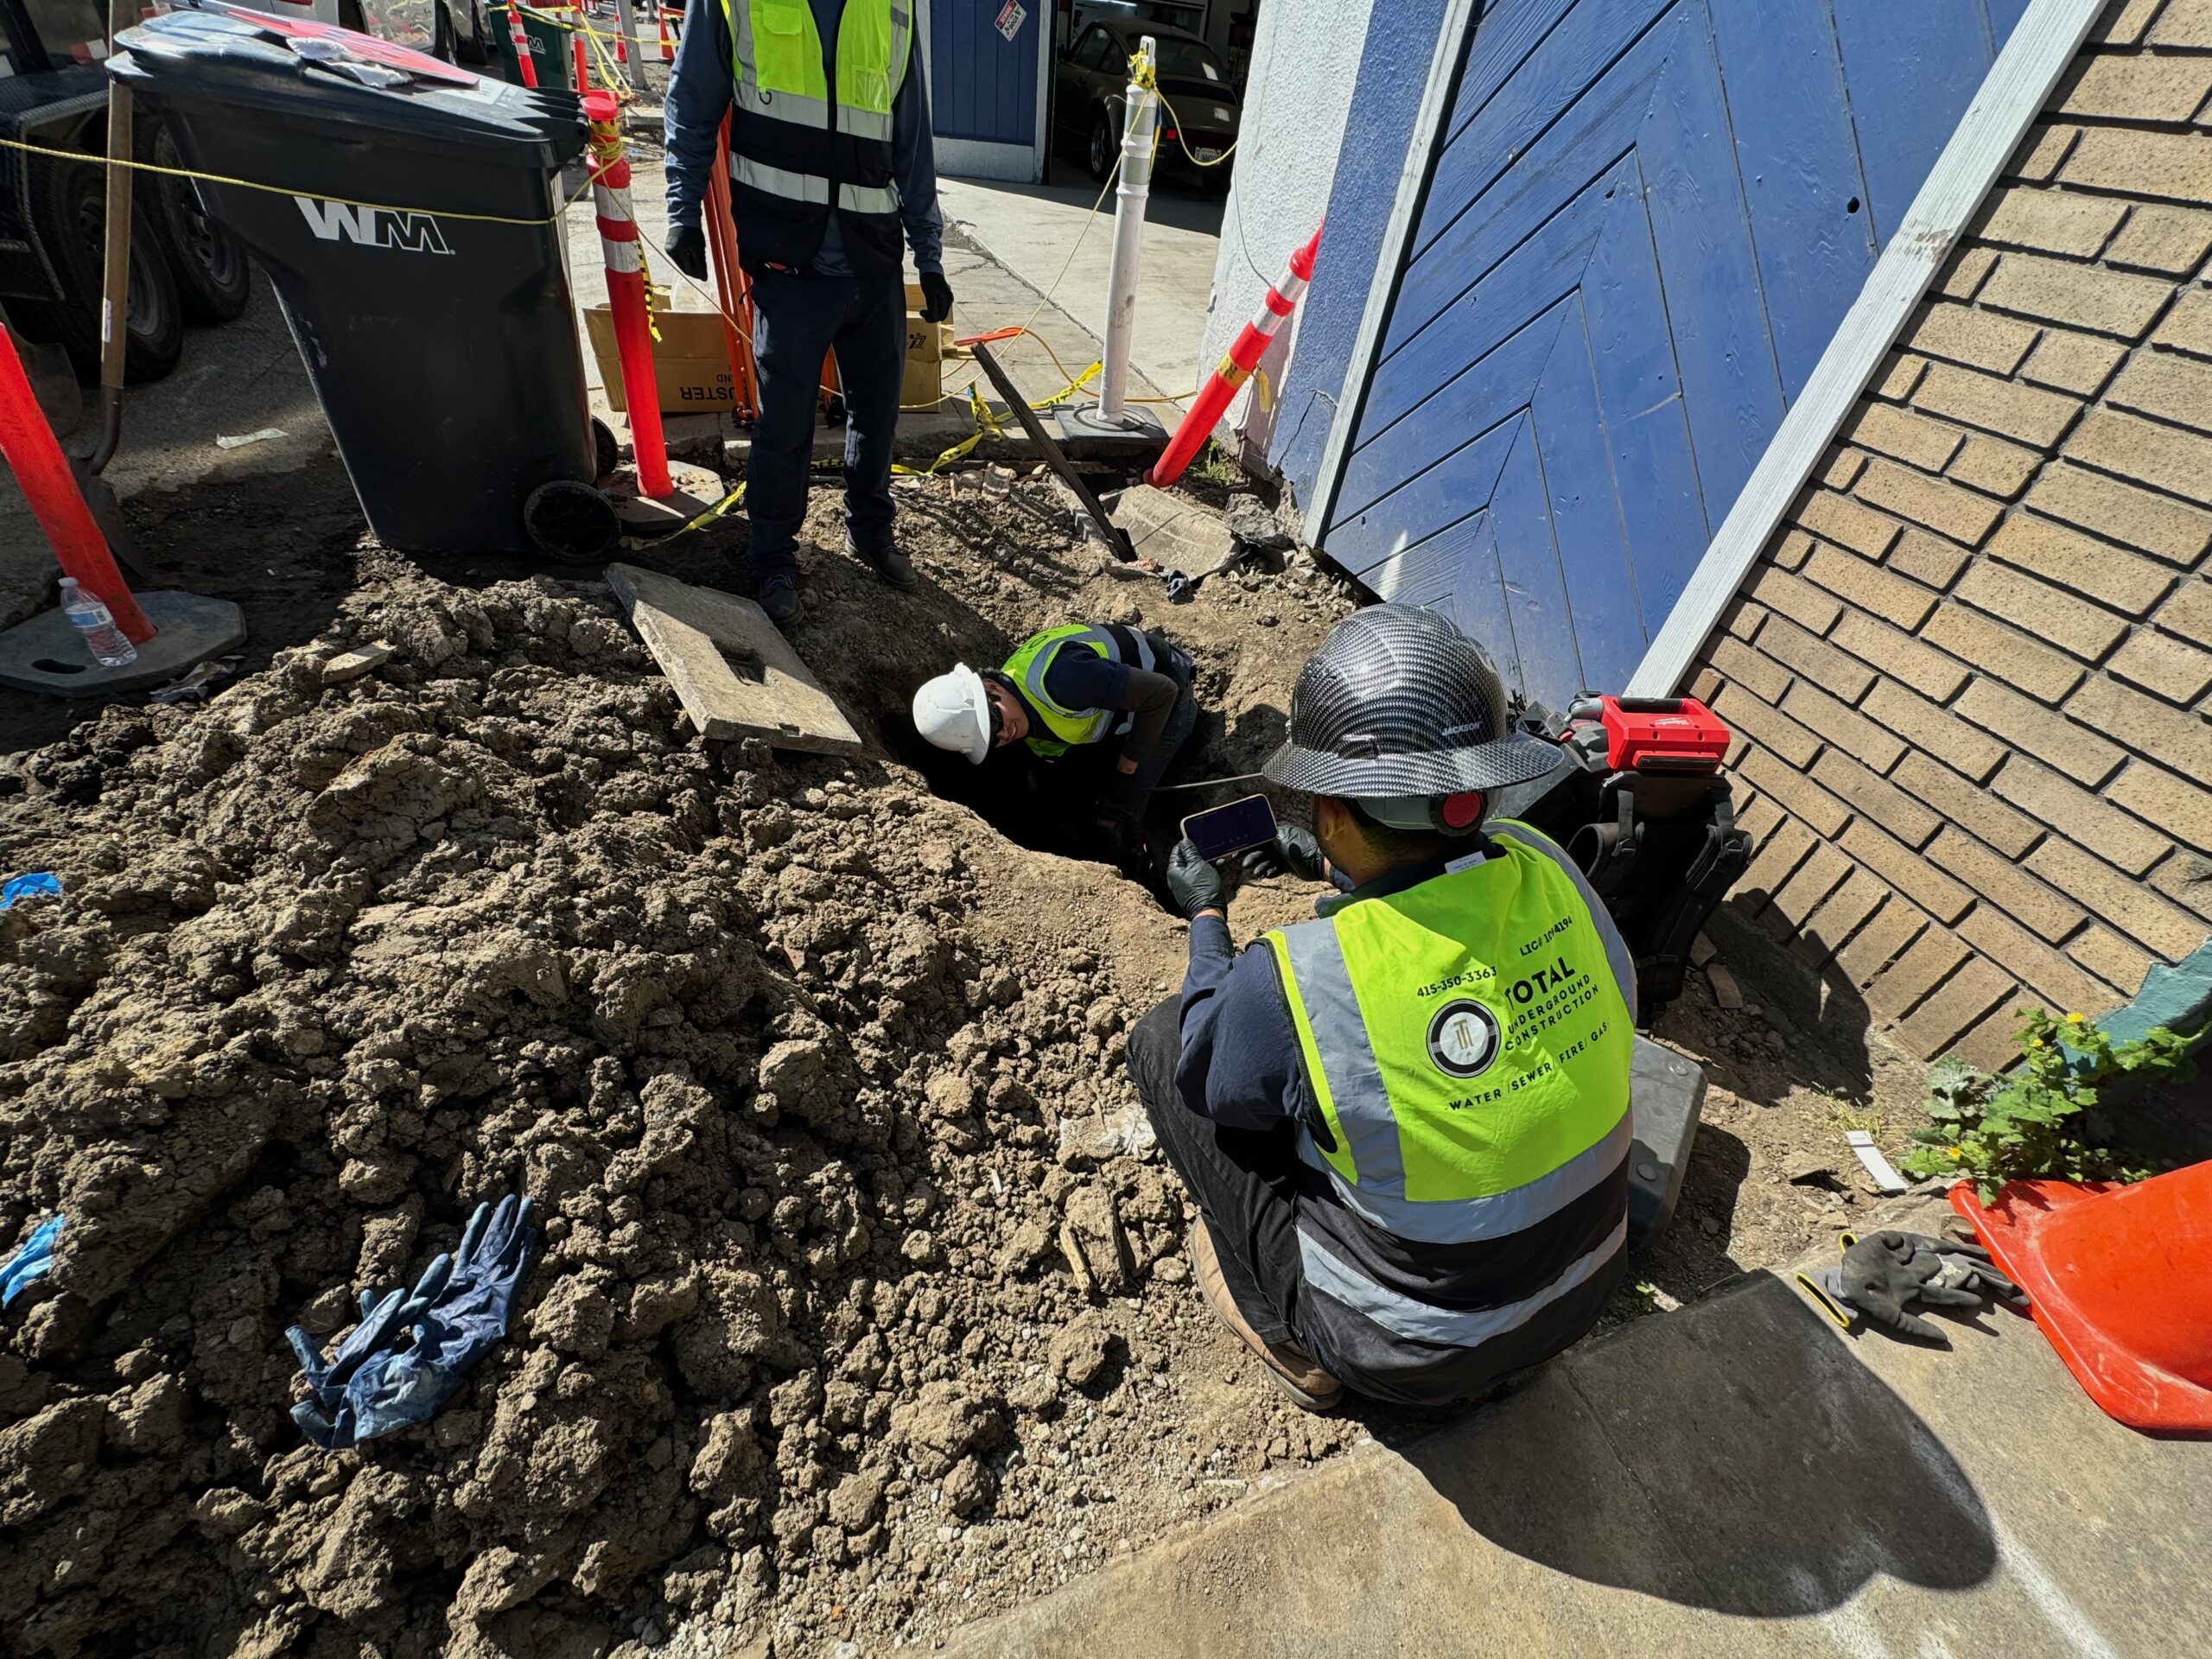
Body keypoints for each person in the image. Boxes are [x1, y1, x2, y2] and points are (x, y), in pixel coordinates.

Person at [1128, 604, 1637, 1410]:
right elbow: (1440, 874)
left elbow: (1208, 1073)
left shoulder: (1299, 979)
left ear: (1331, 811)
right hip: (1582, 1291)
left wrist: (1206, 915)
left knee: (1165, 1042)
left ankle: (1303, 1344)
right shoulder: (1549, 869)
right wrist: (1343, 868)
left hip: (1411, 1354)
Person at [661, 0, 952, 626]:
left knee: (877, 414)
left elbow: (912, 141)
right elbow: (692, 104)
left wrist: (929, 256)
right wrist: (682, 210)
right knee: (784, 426)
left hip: (871, 263)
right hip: (789, 264)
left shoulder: (893, 10)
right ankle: (772, 559)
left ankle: (871, 533)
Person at [911, 622, 1198, 862]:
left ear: (992, 688)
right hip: (1119, 707)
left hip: (1168, 688)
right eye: (990, 738)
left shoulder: (1063, 679)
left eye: (994, 721)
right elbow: (1054, 770)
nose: (1003, 735)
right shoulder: (1024, 714)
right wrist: (1069, 820)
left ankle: (1140, 860)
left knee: (1120, 817)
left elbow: (1162, 693)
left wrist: (1127, 766)